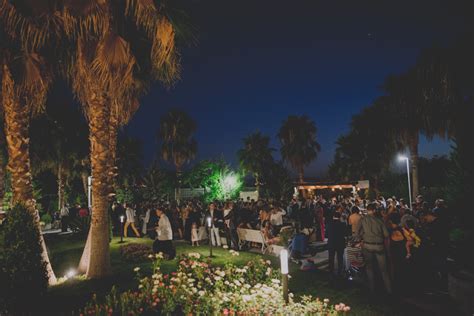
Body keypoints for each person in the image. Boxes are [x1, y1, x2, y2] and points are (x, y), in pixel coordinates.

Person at [357, 203, 392, 294]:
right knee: (384, 270)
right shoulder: (379, 220)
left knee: (369, 268)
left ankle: (372, 290)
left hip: (367, 245)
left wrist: (363, 236)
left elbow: (357, 233)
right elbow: (386, 235)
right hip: (379, 246)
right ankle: (389, 291)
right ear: (374, 210)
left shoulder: (363, 220)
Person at [327, 212, 347, 276]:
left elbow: (326, 234)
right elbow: (345, 234)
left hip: (331, 242)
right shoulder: (343, 224)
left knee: (331, 257)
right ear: (340, 217)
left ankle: (331, 270)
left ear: (333, 216)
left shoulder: (329, 224)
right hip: (340, 243)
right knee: (340, 257)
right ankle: (340, 271)